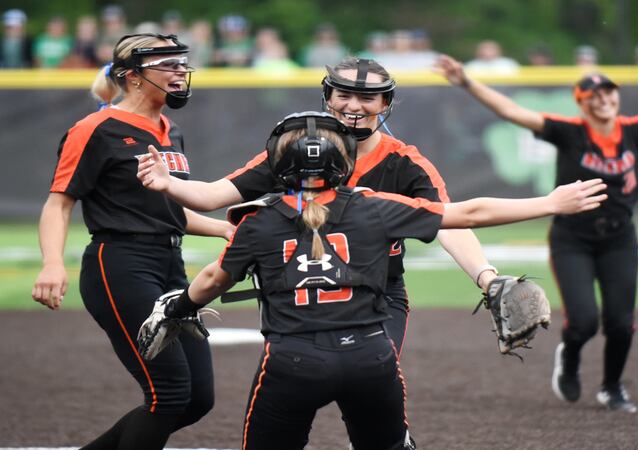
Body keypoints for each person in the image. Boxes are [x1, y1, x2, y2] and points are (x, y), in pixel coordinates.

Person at [139, 111, 607, 448]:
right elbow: (468, 213)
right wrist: (550, 203)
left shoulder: (256, 221)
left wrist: (178, 307)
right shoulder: (374, 206)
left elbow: (212, 279)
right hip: (371, 358)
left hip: (293, 362)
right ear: (344, 162)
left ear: (277, 167)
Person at [435, 53, 638, 412]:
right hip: (572, 239)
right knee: (584, 322)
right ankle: (570, 354)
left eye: (609, 92)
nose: (604, 99)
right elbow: (513, 112)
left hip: (619, 239)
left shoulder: (634, 130)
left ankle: (612, 387)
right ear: (582, 103)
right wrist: (467, 82)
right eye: (594, 95)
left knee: (621, 323)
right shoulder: (569, 132)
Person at [138, 57, 505, 359]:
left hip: (376, 293)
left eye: (368, 98)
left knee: (375, 384)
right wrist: (169, 184)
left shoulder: (405, 163)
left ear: (385, 104)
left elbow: (449, 222)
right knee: (293, 389)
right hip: (295, 292)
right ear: (328, 97)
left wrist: (487, 278)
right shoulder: (293, 149)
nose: (354, 106)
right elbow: (213, 196)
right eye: (344, 95)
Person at [31, 33, 232, 449]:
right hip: (120, 265)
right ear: (133, 76)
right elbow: (59, 204)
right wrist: (52, 263)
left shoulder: (171, 131)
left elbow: (168, 211)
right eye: (169, 64)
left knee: (197, 399)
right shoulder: (95, 129)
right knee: (170, 394)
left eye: (183, 63)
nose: (181, 71)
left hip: (170, 265)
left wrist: (226, 229)